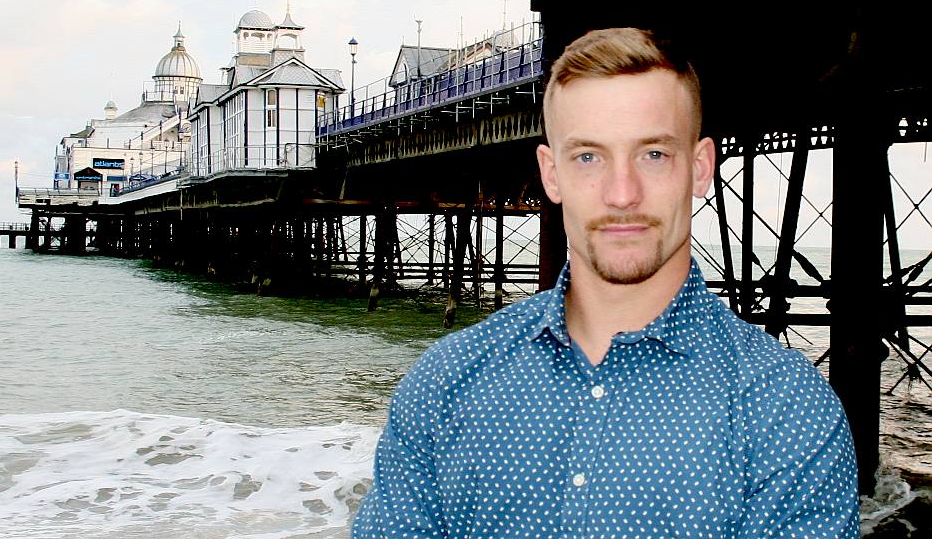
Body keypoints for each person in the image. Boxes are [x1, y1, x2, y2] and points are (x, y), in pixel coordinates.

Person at [352, 28, 859, 538]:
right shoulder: (445, 383)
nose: (622, 194)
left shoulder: (786, 408)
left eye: (653, 154)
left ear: (700, 167)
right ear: (551, 174)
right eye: (588, 157)